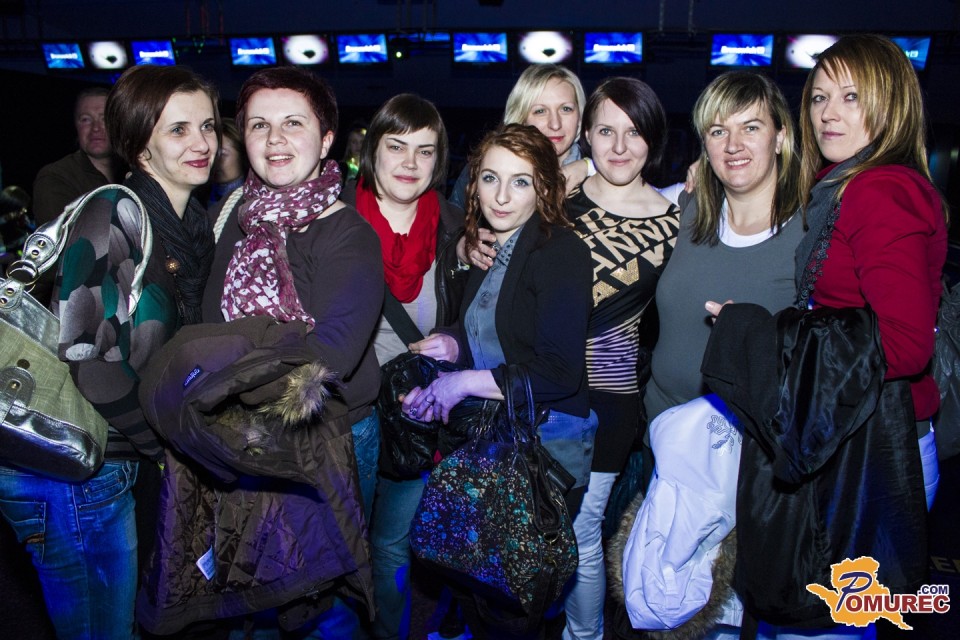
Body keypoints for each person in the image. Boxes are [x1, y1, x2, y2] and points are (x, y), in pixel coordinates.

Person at [703, 35, 947, 640]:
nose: (828, 114)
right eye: (818, 98)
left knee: (821, 628)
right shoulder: (849, 181)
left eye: (850, 97)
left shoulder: (881, 190)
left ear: (891, 103)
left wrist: (766, 335)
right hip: (856, 433)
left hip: (876, 449)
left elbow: (904, 344)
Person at [0, 64, 219, 640]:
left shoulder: (192, 224)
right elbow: (89, 360)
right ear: (140, 144)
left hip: (116, 459)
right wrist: (165, 445)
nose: (201, 142)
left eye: (207, 126)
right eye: (178, 130)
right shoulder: (115, 210)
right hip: (73, 466)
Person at [200, 66, 383, 635]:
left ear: (326, 140)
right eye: (259, 125)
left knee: (327, 599)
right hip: (244, 434)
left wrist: (224, 383)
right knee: (251, 590)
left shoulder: (348, 233)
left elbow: (329, 357)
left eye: (293, 123)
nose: (275, 139)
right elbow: (208, 327)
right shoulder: (239, 222)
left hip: (331, 435)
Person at [402, 123, 597, 639]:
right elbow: (496, 334)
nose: (502, 196)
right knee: (480, 586)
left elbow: (558, 372)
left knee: (514, 603)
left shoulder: (560, 253)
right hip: (494, 442)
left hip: (543, 453)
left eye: (520, 181)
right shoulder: (492, 248)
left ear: (545, 188)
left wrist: (462, 383)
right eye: (490, 178)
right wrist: (452, 348)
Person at [340, 93, 467, 640]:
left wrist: (456, 341)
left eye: (425, 150)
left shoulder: (458, 228)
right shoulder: (335, 218)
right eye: (396, 147)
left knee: (391, 543)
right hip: (348, 414)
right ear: (372, 150)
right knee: (339, 543)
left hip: (417, 416)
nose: (410, 163)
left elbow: (484, 316)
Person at [560, 77, 680, 640]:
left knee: (583, 530)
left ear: (652, 140)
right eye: (606, 131)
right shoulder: (557, 199)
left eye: (634, 133)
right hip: (539, 387)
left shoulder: (677, 223)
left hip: (609, 400)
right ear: (586, 135)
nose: (619, 146)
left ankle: (583, 635)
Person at [644, 71, 803, 427]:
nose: (733, 145)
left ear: (780, 137)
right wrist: (581, 166)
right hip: (661, 428)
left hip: (749, 443)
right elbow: (618, 193)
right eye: (718, 132)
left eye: (751, 127)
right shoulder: (687, 206)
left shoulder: (812, 233)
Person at [448, 63, 587, 213]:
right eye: (540, 111)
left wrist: (591, 167)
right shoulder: (484, 168)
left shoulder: (598, 172)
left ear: (580, 116)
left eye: (566, 109)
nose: (555, 124)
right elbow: (452, 220)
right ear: (521, 118)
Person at [32, 87, 123, 224]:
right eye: (86, 119)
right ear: (76, 125)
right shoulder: (56, 177)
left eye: (104, 119)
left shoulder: (135, 173)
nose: (96, 128)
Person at [207, 119, 247, 206]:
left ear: (243, 155)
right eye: (209, 154)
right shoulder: (202, 197)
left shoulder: (251, 202)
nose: (214, 161)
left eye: (221, 154)